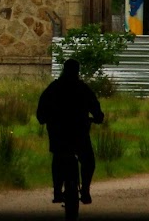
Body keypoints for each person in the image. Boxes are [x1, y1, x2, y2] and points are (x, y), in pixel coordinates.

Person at [36, 58, 104, 205]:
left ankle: (57, 191)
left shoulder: (54, 88)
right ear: (77, 71)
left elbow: (41, 111)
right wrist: (97, 117)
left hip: (58, 133)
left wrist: (45, 119)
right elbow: (96, 109)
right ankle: (85, 190)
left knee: (58, 159)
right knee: (88, 161)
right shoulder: (82, 88)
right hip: (79, 133)